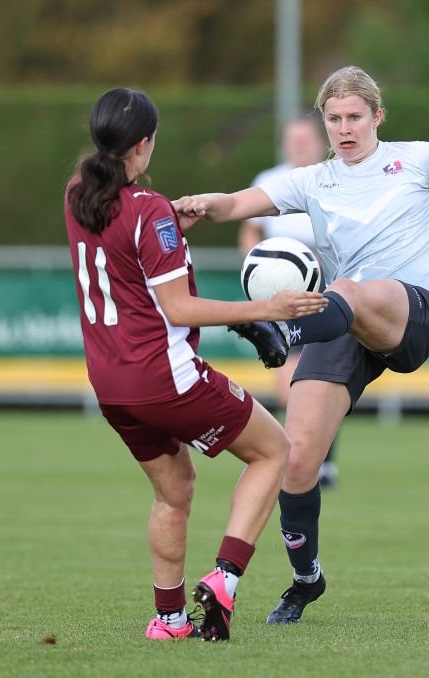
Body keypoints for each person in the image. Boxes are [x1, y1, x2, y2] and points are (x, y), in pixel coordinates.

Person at [172, 65, 429, 625]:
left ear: (378, 116)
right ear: (323, 122)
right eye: (334, 119)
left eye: (355, 117)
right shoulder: (313, 180)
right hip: (340, 323)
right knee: (296, 458)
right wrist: (201, 204)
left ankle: (283, 331)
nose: (345, 128)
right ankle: (304, 579)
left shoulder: (421, 158)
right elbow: (237, 203)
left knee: (344, 289)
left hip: (409, 312)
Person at [63, 88, 327, 642]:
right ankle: (225, 578)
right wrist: (266, 309)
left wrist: (169, 227)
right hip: (164, 376)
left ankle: (170, 619)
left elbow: (124, 250)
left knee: (174, 490)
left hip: (110, 385)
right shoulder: (148, 210)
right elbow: (178, 307)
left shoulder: (77, 194)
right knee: (274, 450)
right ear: (144, 143)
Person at [238, 117, 340, 489]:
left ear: (318, 142)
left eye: (305, 139)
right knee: (292, 376)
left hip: (329, 285)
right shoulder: (270, 179)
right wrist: (256, 274)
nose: (298, 145)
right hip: (283, 288)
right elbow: (250, 229)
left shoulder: (335, 176)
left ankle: (323, 460)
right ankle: (295, 453)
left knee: (327, 372)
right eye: (292, 139)